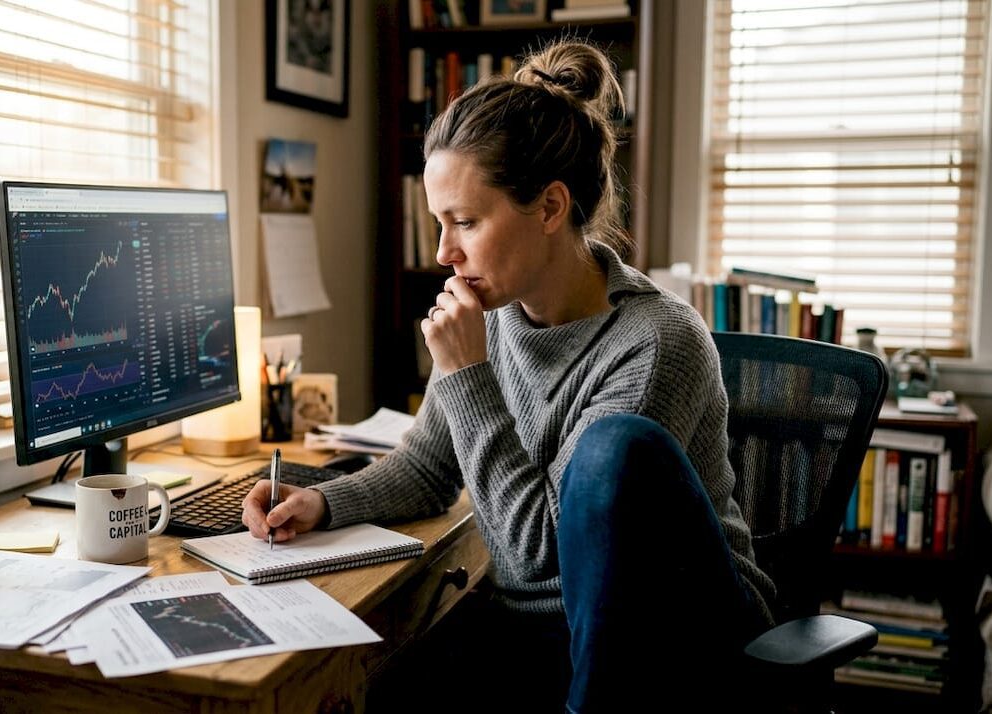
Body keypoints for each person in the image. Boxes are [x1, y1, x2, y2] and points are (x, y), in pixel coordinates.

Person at [242, 39, 775, 712]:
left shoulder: (654, 341)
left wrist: (466, 374)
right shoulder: (494, 312)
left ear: (550, 208)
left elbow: (537, 556)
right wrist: (322, 502)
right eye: (439, 223)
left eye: (465, 221)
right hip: (541, 628)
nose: (443, 251)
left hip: (681, 633)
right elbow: (427, 468)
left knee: (615, 451)